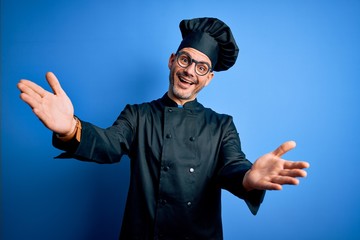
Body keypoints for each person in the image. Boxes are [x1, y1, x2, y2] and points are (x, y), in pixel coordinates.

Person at [17, 17, 309, 240]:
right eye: (185, 59)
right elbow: (108, 144)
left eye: (202, 67)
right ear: (172, 61)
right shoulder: (138, 115)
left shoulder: (222, 125)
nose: (190, 71)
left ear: (208, 79)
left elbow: (233, 166)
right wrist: (70, 128)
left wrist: (248, 177)